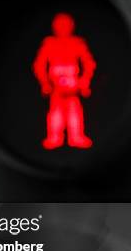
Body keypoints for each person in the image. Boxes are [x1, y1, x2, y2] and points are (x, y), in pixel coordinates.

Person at [33, 13, 96, 149]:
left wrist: (85, 81)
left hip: (73, 79)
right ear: (54, 27)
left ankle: (76, 137)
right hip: (55, 81)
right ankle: (54, 137)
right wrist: (44, 82)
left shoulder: (77, 42)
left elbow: (89, 63)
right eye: (59, 25)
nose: (63, 28)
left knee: (74, 110)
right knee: (56, 111)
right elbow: (39, 64)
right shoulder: (49, 43)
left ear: (71, 26)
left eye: (66, 25)